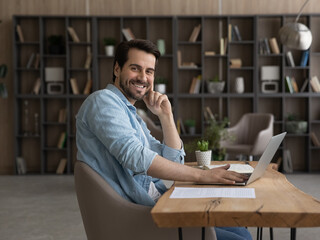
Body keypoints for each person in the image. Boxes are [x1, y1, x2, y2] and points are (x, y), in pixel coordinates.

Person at [76, 39, 252, 240]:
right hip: (138, 218)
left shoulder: (131, 114)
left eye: (149, 71)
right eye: (135, 68)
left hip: (159, 204)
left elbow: (173, 160)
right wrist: (202, 176)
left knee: (239, 230)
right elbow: (137, 158)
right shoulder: (102, 101)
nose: (143, 77)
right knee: (241, 238)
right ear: (117, 69)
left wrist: (166, 116)